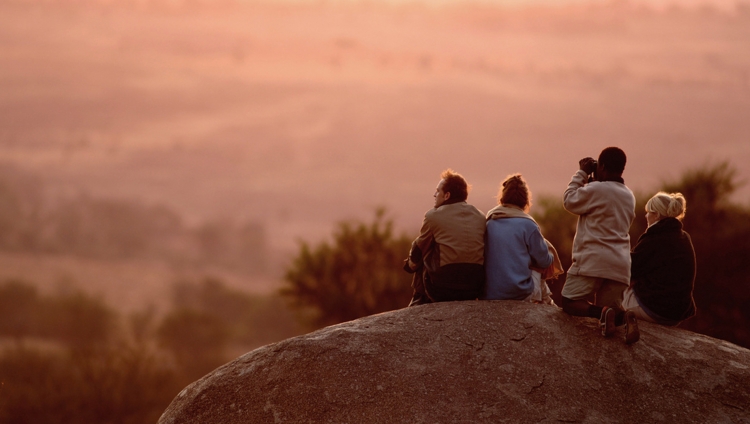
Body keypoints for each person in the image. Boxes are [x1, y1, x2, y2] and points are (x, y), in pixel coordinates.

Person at [560, 147, 640, 344]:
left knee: (569, 302)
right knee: (611, 312)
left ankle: (602, 312)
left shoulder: (595, 190)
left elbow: (569, 200)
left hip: (592, 261)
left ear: (601, 166)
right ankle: (622, 317)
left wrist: (582, 173)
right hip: (620, 266)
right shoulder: (629, 196)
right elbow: (606, 198)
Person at [404, 169, 486, 306]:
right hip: (474, 288)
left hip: (442, 289)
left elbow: (419, 251)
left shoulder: (433, 216)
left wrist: (409, 265)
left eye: (437, 191)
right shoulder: (481, 216)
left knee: (425, 247)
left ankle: (417, 302)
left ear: (447, 195)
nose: (434, 195)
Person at [484, 174, 563, 304]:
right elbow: (544, 262)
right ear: (525, 201)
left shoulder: (489, 222)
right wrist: (549, 254)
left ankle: (548, 303)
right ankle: (549, 306)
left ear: (502, 199)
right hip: (519, 294)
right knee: (537, 268)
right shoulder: (528, 225)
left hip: (490, 293)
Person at [622, 192, 697, 326]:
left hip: (655, 310)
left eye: (648, 212)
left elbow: (628, 269)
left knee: (614, 285)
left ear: (656, 215)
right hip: (677, 314)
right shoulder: (684, 237)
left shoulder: (655, 237)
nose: (646, 215)